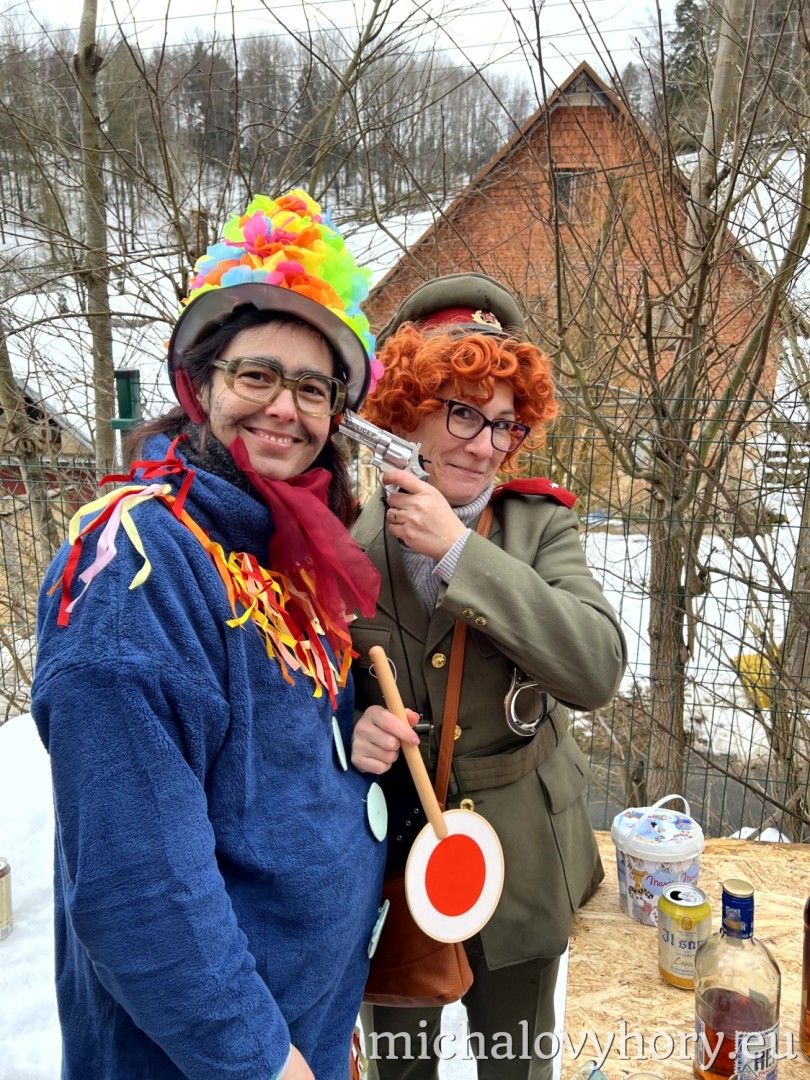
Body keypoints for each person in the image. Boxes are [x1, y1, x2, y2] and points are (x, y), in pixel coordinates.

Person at [31, 190, 388, 1080]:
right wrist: (261, 1057)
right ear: (201, 385)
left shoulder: (278, 549)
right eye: (257, 375)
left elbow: (258, 750)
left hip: (306, 1021)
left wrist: (349, 737)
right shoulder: (139, 568)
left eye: (313, 388)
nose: (285, 409)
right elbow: (137, 886)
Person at [350, 273, 628, 1080]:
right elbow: (310, 707)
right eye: (462, 412)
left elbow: (596, 668)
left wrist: (460, 553)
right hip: (398, 865)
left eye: (504, 423)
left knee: (518, 1063)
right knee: (399, 1065)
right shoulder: (345, 546)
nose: (484, 446)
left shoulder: (539, 528)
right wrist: (353, 732)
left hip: (523, 865)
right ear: (405, 410)